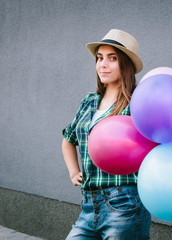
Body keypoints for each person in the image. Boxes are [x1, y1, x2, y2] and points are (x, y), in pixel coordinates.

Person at [62, 29, 151, 240]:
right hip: (89, 205)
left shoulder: (137, 103)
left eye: (112, 58)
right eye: (99, 58)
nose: (103, 64)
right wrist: (74, 172)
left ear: (126, 64)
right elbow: (68, 139)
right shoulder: (89, 102)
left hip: (124, 202)